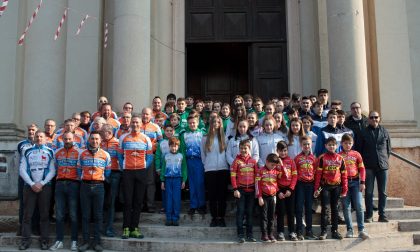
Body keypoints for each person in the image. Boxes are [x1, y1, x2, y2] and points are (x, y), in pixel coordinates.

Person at [19, 131, 56, 250]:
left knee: (44, 215)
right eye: (37, 136)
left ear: (45, 139)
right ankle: (25, 240)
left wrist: (42, 183)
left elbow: (52, 170)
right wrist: (31, 183)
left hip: (45, 186)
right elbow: (22, 169)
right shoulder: (27, 151)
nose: (39, 138)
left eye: (41, 137)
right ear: (34, 138)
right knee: (27, 215)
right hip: (29, 186)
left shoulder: (50, 151)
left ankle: (44, 240)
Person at [118, 115, 153, 239]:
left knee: (138, 202)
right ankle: (126, 228)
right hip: (128, 172)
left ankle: (135, 228)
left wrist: (144, 165)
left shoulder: (146, 139)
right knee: (127, 201)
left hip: (141, 172)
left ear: (141, 124)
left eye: (137, 122)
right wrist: (123, 167)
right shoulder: (123, 138)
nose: (135, 124)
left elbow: (150, 156)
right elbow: (120, 155)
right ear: (130, 124)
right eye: (133, 122)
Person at [77, 131, 111, 252]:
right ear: (89, 140)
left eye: (97, 139)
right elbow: (78, 170)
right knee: (85, 216)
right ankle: (85, 242)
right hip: (85, 186)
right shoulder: (82, 154)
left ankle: (97, 242)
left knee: (98, 216)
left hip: (99, 187)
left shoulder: (106, 155)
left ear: (100, 141)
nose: (94, 141)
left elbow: (107, 172)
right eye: (92, 139)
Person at [49, 132, 80, 251]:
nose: (67, 141)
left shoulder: (79, 152)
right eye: (65, 139)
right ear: (62, 139)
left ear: (74, 139)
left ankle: (74, 241)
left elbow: (80, 169)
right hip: (60, 184)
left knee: (73, 214)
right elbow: (55, 167)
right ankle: (59, 240)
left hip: (73, 184)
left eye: (69, 139)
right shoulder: (57, 152)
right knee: (60, 214)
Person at [360, 111, 391, 223]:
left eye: (376, 117)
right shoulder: (363, 132)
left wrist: (384, 159)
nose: (374, 119)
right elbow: (360, 150)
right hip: (368, 166)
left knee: (383, 192)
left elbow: (388, 149)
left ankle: (382, 214)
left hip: (382, 165)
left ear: (379, 118)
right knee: (369, 192)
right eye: (371, 117)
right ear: (368, 119)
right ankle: (369, 215)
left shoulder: (384, 131)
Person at [314, 137, 348, 240]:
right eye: (329, 145)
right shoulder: (322, 158)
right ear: (325, 146)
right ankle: (323, 231)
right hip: (325, 187)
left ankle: (335, 231)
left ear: (336, 146)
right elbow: (318, 175)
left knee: (335, 209)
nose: (331, 147)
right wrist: (316, 189)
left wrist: (345, 188)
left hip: (337, 187)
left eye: (333, 145)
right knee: (325, 208)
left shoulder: (340, 158)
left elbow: (344, 175)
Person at [339, 134, 370, 239]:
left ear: (352, 144)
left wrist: (363, 182)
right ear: (341, 143)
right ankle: (350, 230)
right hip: (344, 183)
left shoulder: (357, 154)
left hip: (356, 182)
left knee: (359, 205)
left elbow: (362, 169)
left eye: (350, 143)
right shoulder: (338, 156)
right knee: (346, 207)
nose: (348, 145)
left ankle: (361, 229)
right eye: (345, 143)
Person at [201, 115, 229, 227]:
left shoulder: (225, 138)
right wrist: (207, 165)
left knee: (222, 196)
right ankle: (214, 218)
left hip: (223, 169)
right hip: (210, 170)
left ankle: (221, 217)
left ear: (220, 124)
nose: (216, 124)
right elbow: (203, 154)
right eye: (214, 122)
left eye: (218, 122)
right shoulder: (204, 138)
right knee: (212, 196)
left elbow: (227, 154)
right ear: (211, 124)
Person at [230, 139, 258, 243]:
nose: (243, 150)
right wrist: (235, 189)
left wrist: (257, 191)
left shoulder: (253, 161)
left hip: (251, 191)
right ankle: (240, 234)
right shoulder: (236, 161)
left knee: (250, 213)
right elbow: (232, 176)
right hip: (240, 190)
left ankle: (250, 235)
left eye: (245, 148)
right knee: (240, 212)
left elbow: (257, 177)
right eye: (241, 148)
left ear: (249, 149)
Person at [180, 115, 207, 214]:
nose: (192, 124)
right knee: (191, 184)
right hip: (188, 161)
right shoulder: (184, 135)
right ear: (188, 123)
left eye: (194, 123)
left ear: (197, 123)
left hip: (199, 161)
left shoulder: (202, 134)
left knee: (200, 183)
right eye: (190, 123)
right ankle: (193, 205)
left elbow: (205, 149)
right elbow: (182, 150)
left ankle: (202, 205)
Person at [16, 123, 38, 236]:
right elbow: (20, 161)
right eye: (29, 130)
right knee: (23, 204)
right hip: (23, 178)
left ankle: (35, 227)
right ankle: (21, 227)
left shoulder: (40, 144)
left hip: (37, 178)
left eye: (33, 130)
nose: (31, 132)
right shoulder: (21, 144)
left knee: (36, 204)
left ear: (37, 131)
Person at [294, 136, 317, 240]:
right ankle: (299, 231)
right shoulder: (297, 158)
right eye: (304, 144)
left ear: (311, 144)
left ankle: (309, 231)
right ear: (301, 145)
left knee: (308, 208)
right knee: (298, 208)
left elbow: (317, 174)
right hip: (300, 185)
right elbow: (294, 174)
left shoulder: (314, 158)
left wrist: (317, 189)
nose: (306, 146)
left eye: (308, 144)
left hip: (311, 185)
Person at [140, 108, 163, 213]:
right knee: (139, 181)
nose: (145, 116)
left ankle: (150, 205)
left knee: (150, 181)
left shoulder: (155, 127)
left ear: (151, 116)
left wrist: (156, 146)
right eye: (144, 114)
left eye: (147, 114)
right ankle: (139, 204)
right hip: (138, 157)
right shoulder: (136, 125)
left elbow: (161, 141)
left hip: (151, 156)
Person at [160, 137, 187, 226]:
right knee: (169, 199)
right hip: (168, 179)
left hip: (177, 179)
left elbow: (184, 169)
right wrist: (162, 180)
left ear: (178, 147)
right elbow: (163, 169)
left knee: (176, 199)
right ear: (169, 146)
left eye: (176, 146)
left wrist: (184, 180)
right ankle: (169, 218)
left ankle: (175, 218)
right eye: (172, 146)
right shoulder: (166, 156)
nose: (174, 148)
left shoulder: (181, 156)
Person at [255, 153, 282, 242]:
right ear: (266, 162)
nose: (273, 167)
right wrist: (259, 197)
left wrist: (280, 165)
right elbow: (257, 185)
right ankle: (264, 234)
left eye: (275, 165)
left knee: (272, 217)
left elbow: (283, 177)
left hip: (273, 197)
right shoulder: (260, 171)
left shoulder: (275, 171)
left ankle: (271, 234)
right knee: (264, 217)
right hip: (264, 197)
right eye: (272, 165)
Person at [100, 125, 121, 237]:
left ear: (108, 132)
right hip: (101, 174)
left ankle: (109, 228)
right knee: (101, 201)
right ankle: (100, 227)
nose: (100, 134)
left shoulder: (118, 143)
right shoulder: (99, 142)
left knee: (111, 202)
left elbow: (122, 158)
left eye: (102, 132)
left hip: (114, 174)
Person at [275, 141, 298, 241]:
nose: (283, 153)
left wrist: (291, 189)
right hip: (279, 190)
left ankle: (292, 232)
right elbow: (272, 178)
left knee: (290, 212)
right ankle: (280, 232)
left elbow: (294, 176)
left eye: (285, 151)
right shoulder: (275, 162)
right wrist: (278, 191)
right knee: (280, 212)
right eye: (281, 151)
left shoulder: (291, 161)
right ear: (277, 151)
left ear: (287, 151)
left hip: (290, 190)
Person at [156, 125, 175, 214]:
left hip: (175, 170)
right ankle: (165, 206)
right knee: (164, 188)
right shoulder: (161, 143)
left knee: (173, 189)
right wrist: (158, 168)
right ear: (164, 131)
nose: (169, 132)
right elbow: (157, 156)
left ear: (174, 131)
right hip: (164, 169)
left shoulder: (176, 141)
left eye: (171, 130)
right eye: (167, 130)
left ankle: (173, 206)